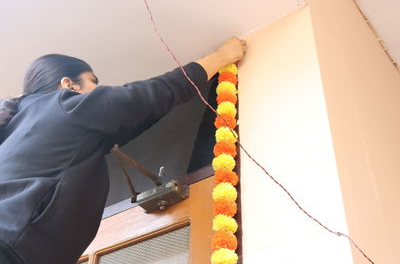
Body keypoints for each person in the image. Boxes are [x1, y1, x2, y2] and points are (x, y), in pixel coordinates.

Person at [0, 37, 246, 264]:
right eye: (93, 82)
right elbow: (152, 94)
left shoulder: (20, 125)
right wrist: (222, 57)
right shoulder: (64, 105)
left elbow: (137, 116)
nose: (98, 89)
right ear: (69, 85)